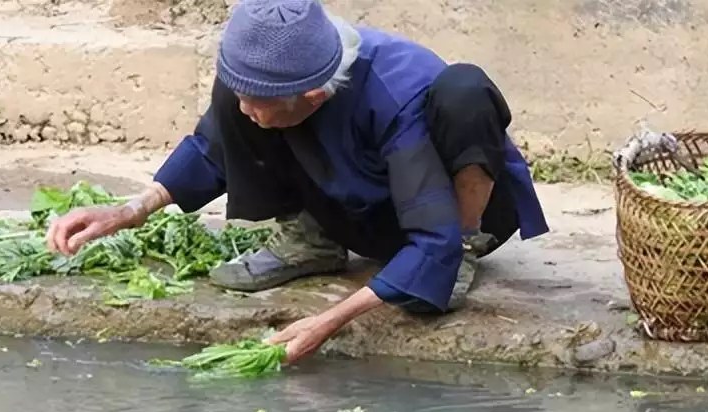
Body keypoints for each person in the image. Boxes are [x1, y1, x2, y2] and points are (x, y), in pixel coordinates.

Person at [45, 0, 549, 364]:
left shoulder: (396, 94)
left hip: (440, 214)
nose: (245, 111)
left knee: (463, 90)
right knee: (240, 100)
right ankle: (312, 240)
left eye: (262, 101)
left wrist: (328, 320)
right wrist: (128, 211)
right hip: (362, 199)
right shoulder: (274, 80)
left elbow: (429, 233)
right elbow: (214, 145)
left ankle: (465, 248)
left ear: (313, 95)